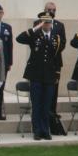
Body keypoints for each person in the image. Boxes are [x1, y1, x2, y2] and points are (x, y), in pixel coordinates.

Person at [16, 11, 62, 140]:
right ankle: (37, 130)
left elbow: (57, 57)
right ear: (41, 23)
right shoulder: (34, 35)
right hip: (36, 75)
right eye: (45, 22)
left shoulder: (56, 38)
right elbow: (19, 38)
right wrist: (35, 27)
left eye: (49, 22)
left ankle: (45, 130)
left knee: (47, 104)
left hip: (49, 76)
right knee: (36, 104)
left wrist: (57, 73)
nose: (47, 24)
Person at [43, 1, 66, 124]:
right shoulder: (39, 23)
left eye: (54, 10)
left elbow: (63, 42)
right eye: (50, 10)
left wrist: (54, 51)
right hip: (42, 62)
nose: (52, 12)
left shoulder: (59, 25)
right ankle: (43, 111)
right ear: (45, 10)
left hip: (55, 61)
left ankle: (52, 110)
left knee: (54, 88)